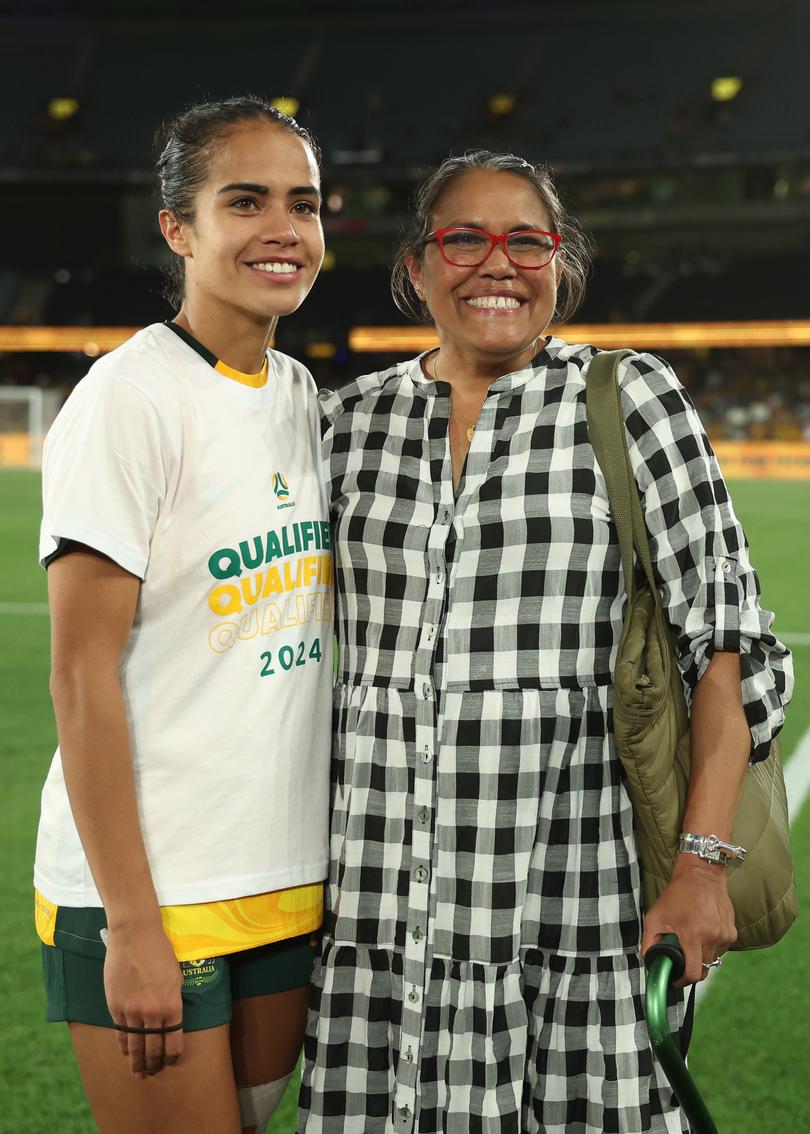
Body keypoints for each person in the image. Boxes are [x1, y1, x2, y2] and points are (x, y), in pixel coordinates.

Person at [298, 151, 793, 1133]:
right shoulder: (347, 424)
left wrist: (700, 868)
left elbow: (727, 648)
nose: (499, 263)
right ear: (416, 265)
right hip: (382, 905)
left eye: (529, 240)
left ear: (562, 262)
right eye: (464, 238)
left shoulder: (627, 400)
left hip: (574, 898)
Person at [34, 96, 333, 1134]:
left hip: (283, 876)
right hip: (155, 893)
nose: (282, 229)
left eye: (304, 203)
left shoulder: (297, 394)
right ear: (178, 227)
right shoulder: (129, 398)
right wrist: (130, 925)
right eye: (244, 201)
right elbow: (80, 678)